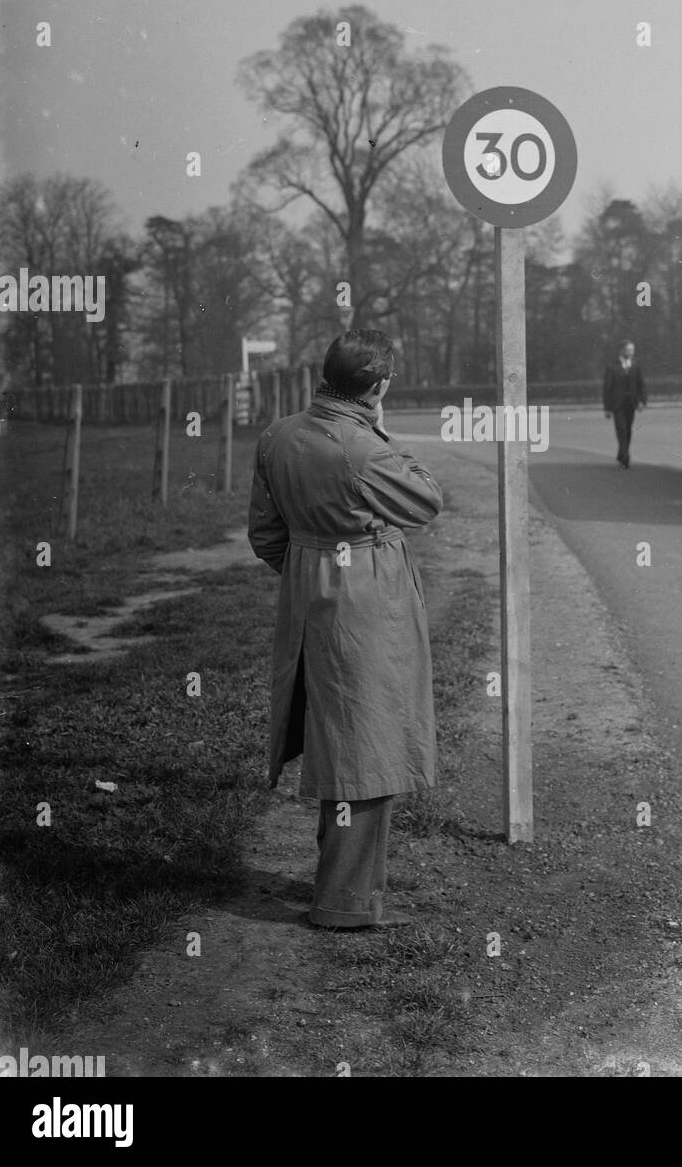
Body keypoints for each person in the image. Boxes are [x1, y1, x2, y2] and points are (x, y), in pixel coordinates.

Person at [248, 329, 442, 931]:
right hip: (366, 604)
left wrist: (313, 572)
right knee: (367, 746)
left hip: (311, 594)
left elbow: (264, 535)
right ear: (378, 386)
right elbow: (426, 501)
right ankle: (345, 904)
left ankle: (347, 889)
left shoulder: (277, 435)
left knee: (341, 736)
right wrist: (379, 431)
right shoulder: (361, 447)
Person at [603, 340, 647, 469]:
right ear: (622, 350)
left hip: (631, 404)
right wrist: (607, 408)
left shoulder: (635, 365)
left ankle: (622, 453)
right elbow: (607, 388)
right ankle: (625, 456)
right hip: (618, 404)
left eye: (632, 350)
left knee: (628, 429)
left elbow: (641, 384)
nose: (631, 352)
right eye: (628, 350)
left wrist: (642, 401)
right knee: (621, 429)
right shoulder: (612, 366)